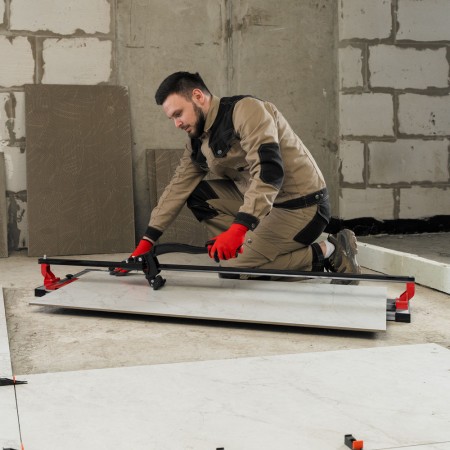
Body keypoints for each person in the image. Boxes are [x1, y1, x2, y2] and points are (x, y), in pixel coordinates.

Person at [111, 71, 361, 283]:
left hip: (302, 206)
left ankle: (330, 250)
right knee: (198, 196)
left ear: (198, 96)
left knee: (233, 268)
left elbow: (269, 172)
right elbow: (177, 188)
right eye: (172, 118)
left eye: (178, 114)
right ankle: (252, 246)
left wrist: (239, 229)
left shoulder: (247, 111)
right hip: (266, 207)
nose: (177, 123)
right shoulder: (198, 140)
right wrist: (147, 242)